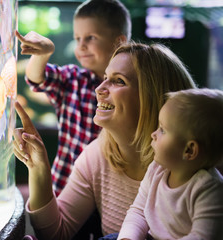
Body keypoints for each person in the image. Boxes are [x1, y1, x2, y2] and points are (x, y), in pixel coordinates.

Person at [13, 42, 197, 240]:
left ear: (152, 97)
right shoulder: (97, 155)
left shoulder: (190, 166)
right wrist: (38, 168)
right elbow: (56, 233)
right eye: (105, 78)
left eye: (118, 81)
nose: (99, 88)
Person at [15, 0, 132, 195]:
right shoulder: (73, 79)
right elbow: (36, 78)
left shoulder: (132, 88)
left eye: (90, 38)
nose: (81, 46)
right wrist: (43, 54)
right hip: (66, 186)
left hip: (112, 192)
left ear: (119, 42)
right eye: (78, 39)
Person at [117, 88, 223, 240]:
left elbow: (201, 236)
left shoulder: (209, 190)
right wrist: (128, 238)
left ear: (189, 150)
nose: (153, 134)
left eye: (162, 130)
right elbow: (139, 211)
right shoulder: (157, 170)